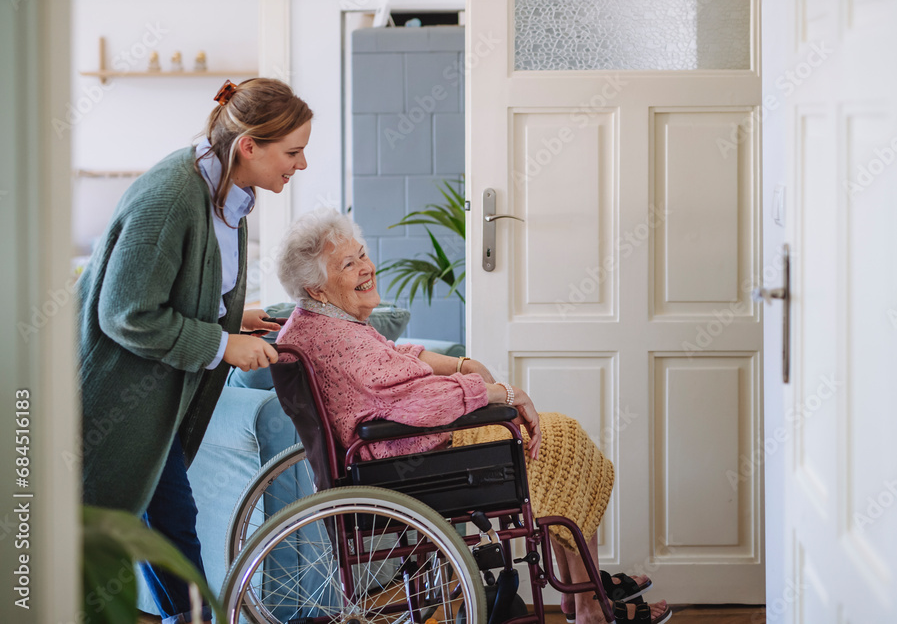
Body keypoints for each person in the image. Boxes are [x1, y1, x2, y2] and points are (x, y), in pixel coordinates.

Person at [274, 209, 672, 624]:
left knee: (558, 440)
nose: (366, 268)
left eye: (361, 254)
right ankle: (589, 604)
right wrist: (505, 394)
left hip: (396, 450)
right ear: (317, 289)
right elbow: (420, 404)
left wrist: (461, 365)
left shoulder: (319, 324)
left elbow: (392, 360)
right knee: (561, 439)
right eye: (348, 264)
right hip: (411, 458)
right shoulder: (338, 338)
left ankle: (583, 593)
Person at [76, 78, 312, 624]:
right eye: (293, 151)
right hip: (109, 406)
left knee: (172, 528)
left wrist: (235, 317)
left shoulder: (229, 194)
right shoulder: (171, 197)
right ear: (249, 145)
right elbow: (126, 312)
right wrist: (223, 343)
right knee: (127, 540)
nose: (301, 164)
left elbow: (188, 285)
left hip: (153, 412)